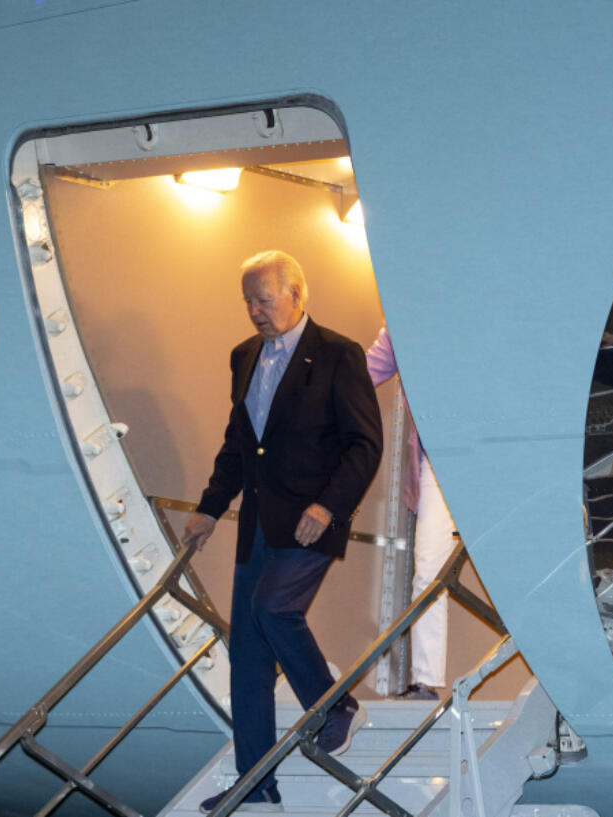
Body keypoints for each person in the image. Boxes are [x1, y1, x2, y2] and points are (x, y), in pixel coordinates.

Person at [185, 251, 383, 812]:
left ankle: (336, 706)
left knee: (274, 610)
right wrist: (208, 508)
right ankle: (256, 786)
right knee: (247, 657)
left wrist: (329, 506)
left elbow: (365, 444)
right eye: (247, 301)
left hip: (311, 519)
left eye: (263, 300)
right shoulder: (244, 356)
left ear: (298, 294)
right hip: (258, 523)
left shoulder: (340, 355)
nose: (254, 311)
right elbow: (238, 445)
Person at [366, 326, 455, 701]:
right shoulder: (404, 322)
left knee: (515, 570)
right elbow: (363, 373)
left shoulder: (484, 302)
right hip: (438, 462)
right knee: (429, 569)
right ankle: (426, 682)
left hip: (491, 458)